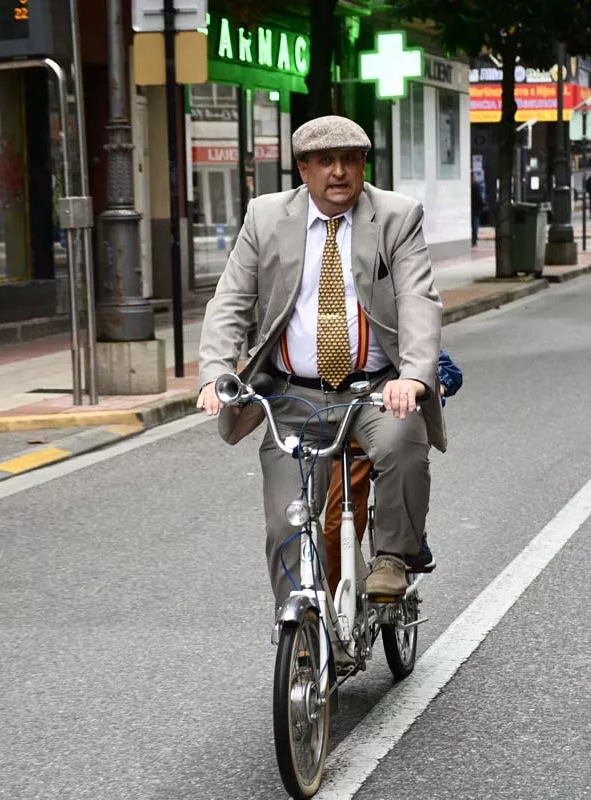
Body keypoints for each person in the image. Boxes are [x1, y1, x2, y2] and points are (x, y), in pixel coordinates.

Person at [197, 115, 445, 610]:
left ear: (363, 166)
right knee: (287, 522)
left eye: (350, 160)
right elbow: (230, 301)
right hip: (294, 395)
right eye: (326, 161)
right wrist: (216, 373)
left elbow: (419, 298)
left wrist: (414, 376)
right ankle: (303, 640)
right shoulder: (265, 218)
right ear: (302, 168)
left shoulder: (396, 216)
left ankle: (393, 557)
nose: (339, 172)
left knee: (401, 442)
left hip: (374, 389)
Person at [321, 351, 462, 595]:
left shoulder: (394, 329)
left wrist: (428, 389)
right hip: (342, 436)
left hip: (389, 424)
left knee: (402, 471)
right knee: (337, 522)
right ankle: (334, 606)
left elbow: (446, 370)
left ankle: (408, 538)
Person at [470, 180, 485, 247]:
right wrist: (483, 204)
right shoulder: (476, 185)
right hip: (475, 210)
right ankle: (474, 241)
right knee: (475, 226)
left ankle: (473, 240)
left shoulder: (470, 185)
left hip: (470, 209)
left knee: (473, 225)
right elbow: (479, 197)